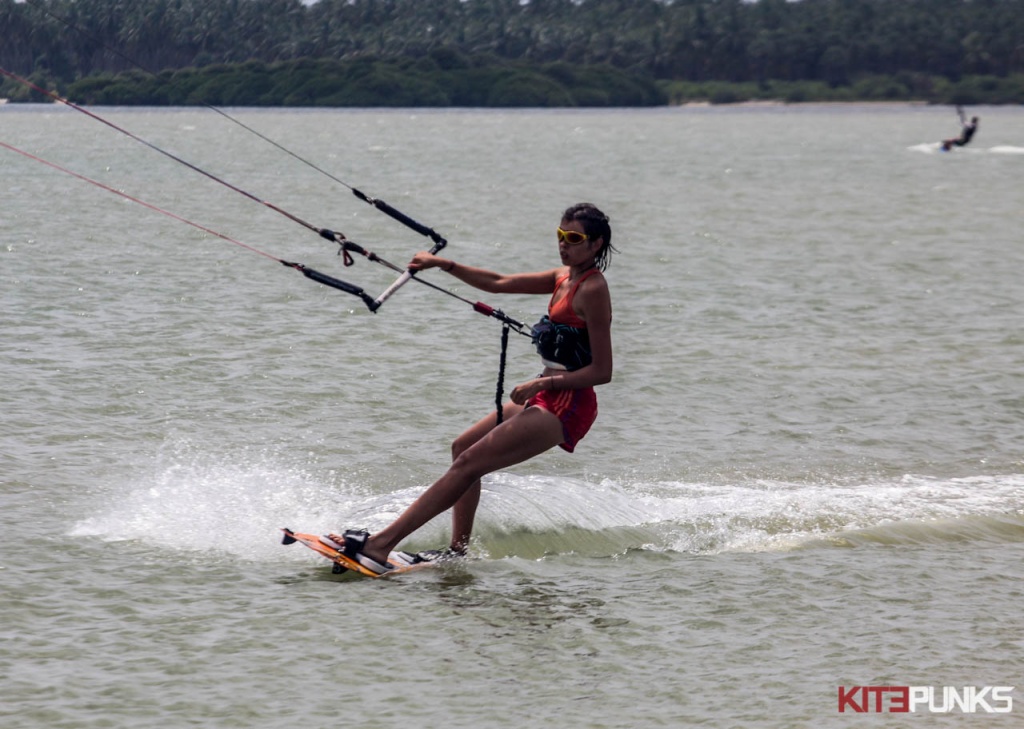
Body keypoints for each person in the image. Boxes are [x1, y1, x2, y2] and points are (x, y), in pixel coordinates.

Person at [323, 203, 617, 573]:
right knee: (462, 447)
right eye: (560, 235)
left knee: (467, 464)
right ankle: (458, 550)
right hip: (547, 393)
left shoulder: (593, 289)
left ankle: (380, 545)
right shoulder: (563, 277)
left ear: (595, 244)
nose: (563, 244)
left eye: (573, 238)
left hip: (568, 403)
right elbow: (499, 283)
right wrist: (445, 265)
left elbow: (603, 371)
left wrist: (547, 381)